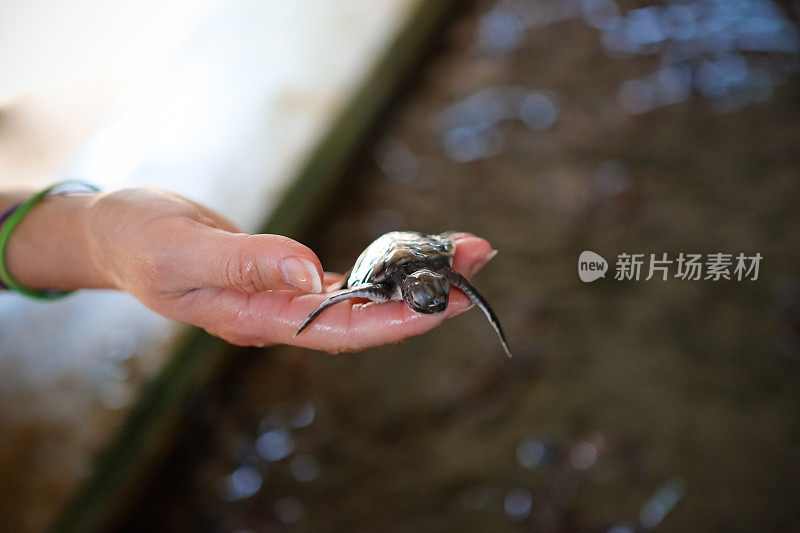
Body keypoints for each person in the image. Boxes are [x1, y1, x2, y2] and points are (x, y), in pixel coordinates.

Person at [0, 185, 496, 353]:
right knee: (344, 291)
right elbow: (351, 291)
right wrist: (95, 236)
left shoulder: (437, 267)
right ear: (408, 291)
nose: (428, 303)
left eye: (429, 298)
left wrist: (92, 235)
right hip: (387, 260)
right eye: (425, 297)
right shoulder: (391, 281)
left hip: (414, 250)